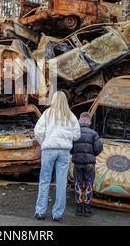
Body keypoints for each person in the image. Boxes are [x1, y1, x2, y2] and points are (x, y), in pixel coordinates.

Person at [34, 91, 81, 221]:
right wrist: (67, 139)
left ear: (53, 100)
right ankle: (58, 214)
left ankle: (40, 211)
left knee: (45, 180)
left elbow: (38, 131)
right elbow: (77, 134)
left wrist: (44, 142)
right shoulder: (70, 115)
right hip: (64, 151)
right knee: (61, 182)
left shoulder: (47, 114)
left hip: (49, 150)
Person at [71, 112, 103, 217]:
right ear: (89, 122)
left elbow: (70, 149)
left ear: (80, 121)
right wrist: (93, 155)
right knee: (88, 184)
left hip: (77, 163)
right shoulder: (94, 134)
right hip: (89, 163)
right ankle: (88, 209)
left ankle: (79, 209)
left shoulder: (75, 133)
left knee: (78, 184)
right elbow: (98, 148)